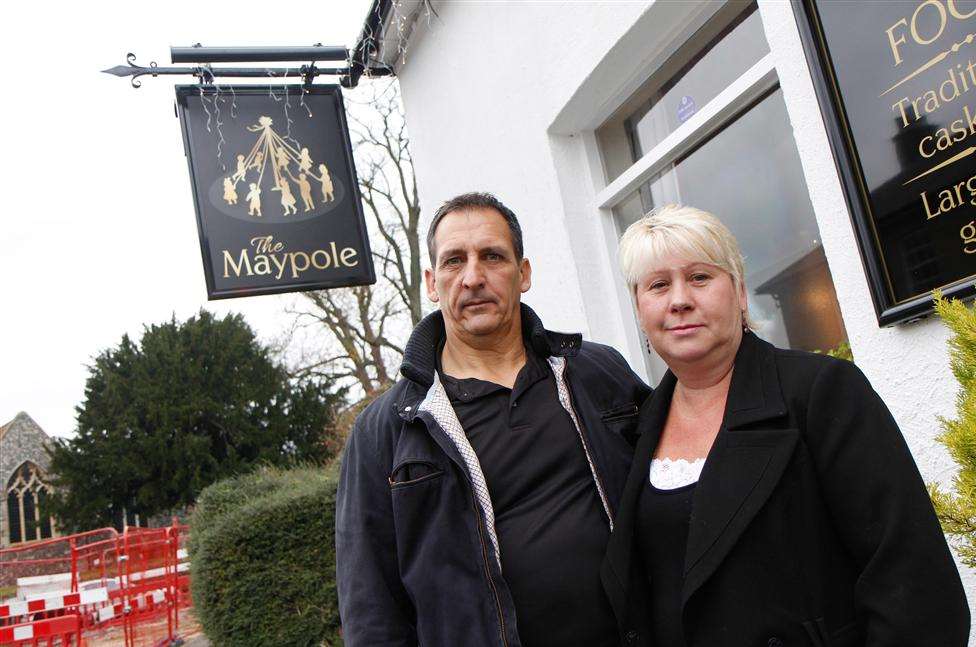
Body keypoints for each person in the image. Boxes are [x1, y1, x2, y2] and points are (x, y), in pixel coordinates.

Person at [602, 205, 970, 647]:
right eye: (658, 285)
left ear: (739, 292)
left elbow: (914, 586)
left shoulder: (820, 392)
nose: (679, 299)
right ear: (640, 309)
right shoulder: (636, 429)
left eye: (700, 277)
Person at [336, 192, 649, 647]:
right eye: (454, 261)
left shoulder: (596, 372)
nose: (473, 277)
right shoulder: (387, 429)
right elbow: (370, 604)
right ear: (431, 281)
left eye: (492, 256)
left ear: (523, 274)